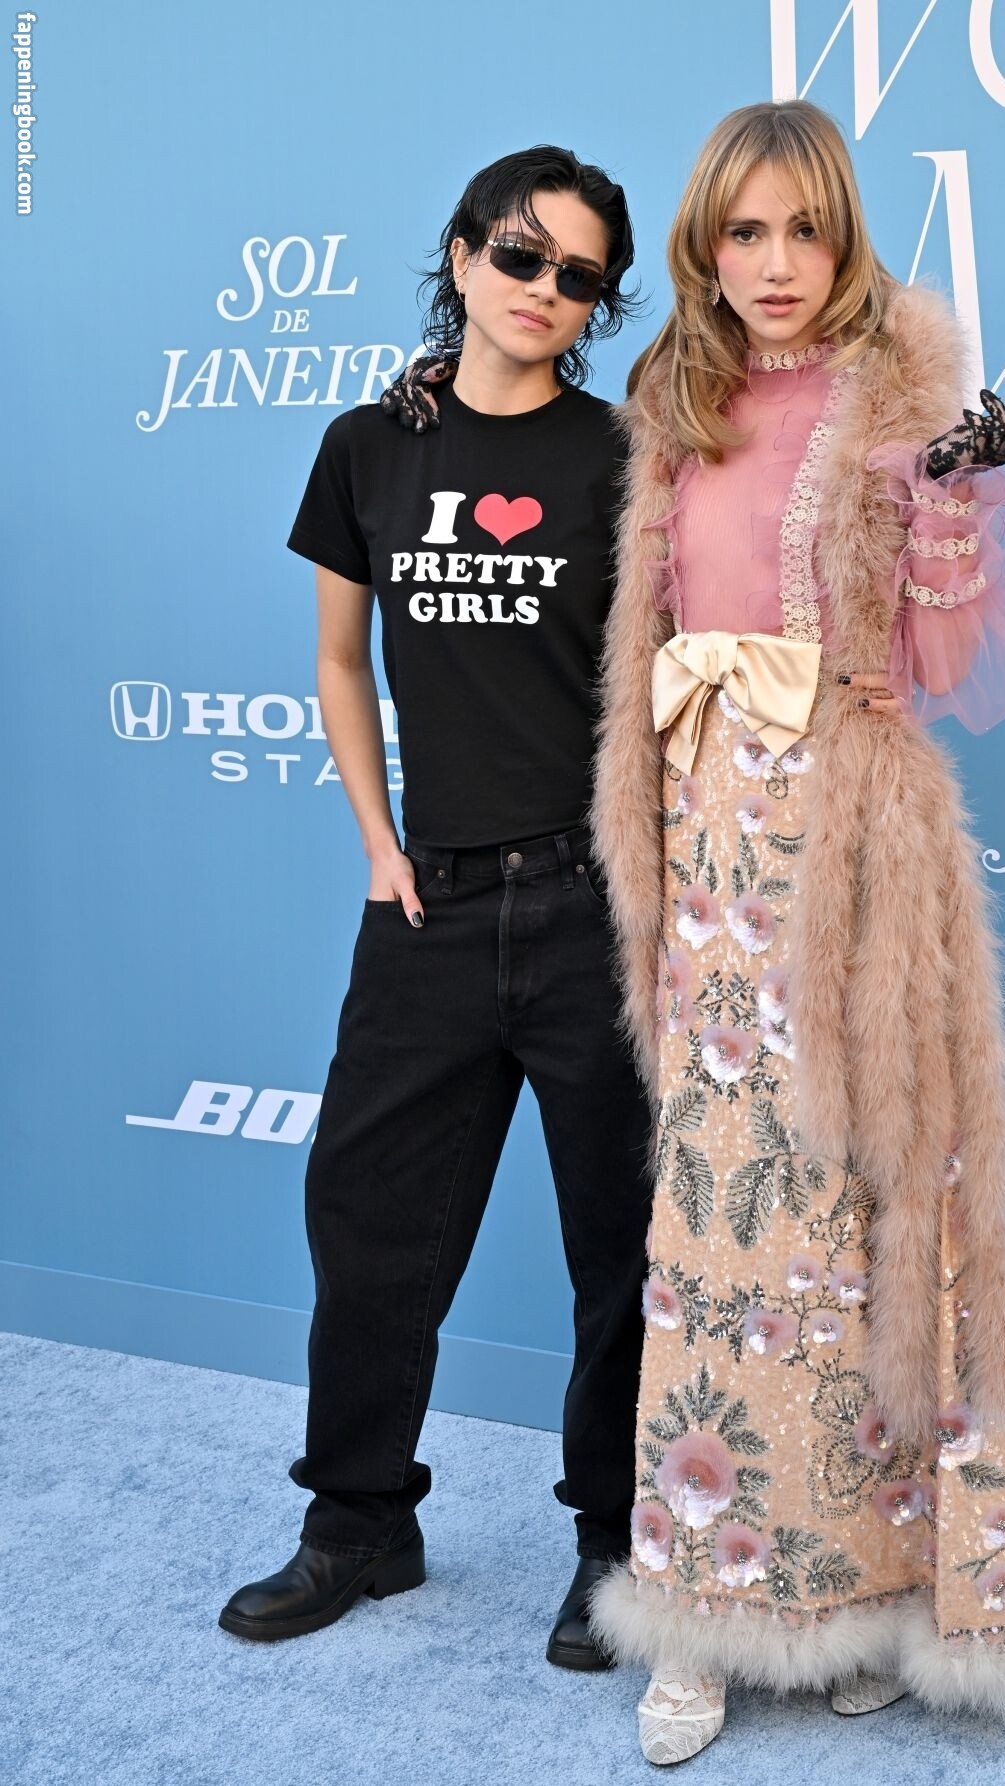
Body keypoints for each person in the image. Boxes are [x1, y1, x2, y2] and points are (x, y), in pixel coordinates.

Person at [583, 99, 1005, 1763]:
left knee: (859, 1220)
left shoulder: (899, 398)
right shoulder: (675, 403)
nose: (777, 263)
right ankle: (706, 1606)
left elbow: (949, 666)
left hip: (851, 851)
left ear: (845, 237)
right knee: (721, 1235)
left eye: (805, 229)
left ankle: (857, 1591)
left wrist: (943, 512)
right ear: (705, 247)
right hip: (705, 849)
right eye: (746, 232)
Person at [217, 145, 654, 1671]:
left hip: (596, 905)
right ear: (463, 254)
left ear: (598, 305)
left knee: (624, 1246)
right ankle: (357, 1523)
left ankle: (617, 1547)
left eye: (580, 276)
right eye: (520, 255)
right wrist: (377, 841)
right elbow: (342, 659)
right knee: (369, 1220)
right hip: (431, 909)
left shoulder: (624, 460)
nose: (544, 290)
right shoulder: (368, 447)